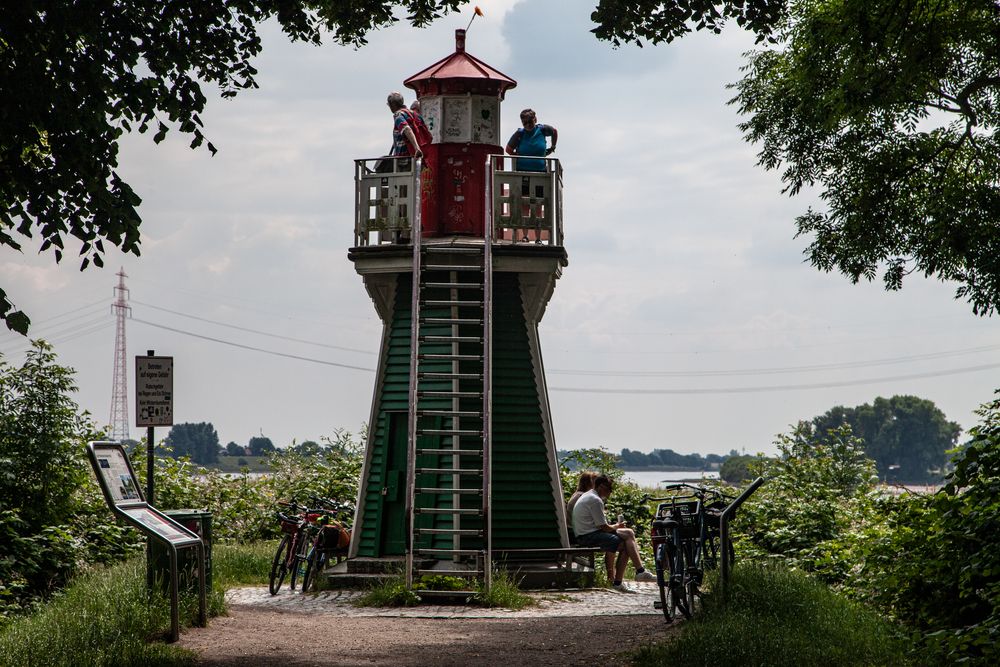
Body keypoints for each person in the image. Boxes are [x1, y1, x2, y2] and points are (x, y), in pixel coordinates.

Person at [572, 474, 656, 592]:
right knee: (625, 546)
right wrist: (617, 526)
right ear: (601, 486)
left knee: (629, 532)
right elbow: (605, 527)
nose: (610, 493)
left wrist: (617, 527)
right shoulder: (595, 500)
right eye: (609, 490)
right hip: (587, 536)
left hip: (587, 532)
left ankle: (640, 571)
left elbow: (601, 526)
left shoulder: (589, 495)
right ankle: (620, 581)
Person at [377, 91, 423, 173]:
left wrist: (417, 148)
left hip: (404, 161)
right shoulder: (415, 115)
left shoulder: (398, 115)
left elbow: (406, 129)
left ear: (393, 105)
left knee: (403, 185)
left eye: (389, 105)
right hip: (418, 160)